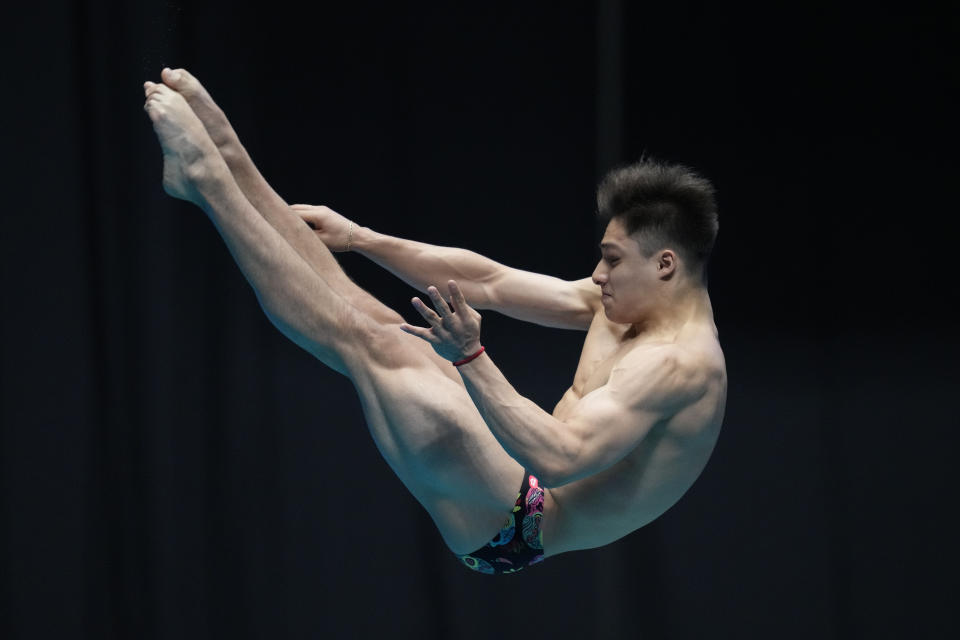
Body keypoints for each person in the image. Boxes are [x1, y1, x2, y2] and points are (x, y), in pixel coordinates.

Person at [142, 67, 727, 575]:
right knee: (375, 319)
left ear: (666, 264)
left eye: (612, 259)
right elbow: (489, 282)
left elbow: (559, 457)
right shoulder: (624, 299)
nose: (597, 274)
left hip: (521, 524)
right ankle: (234, 163)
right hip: (513, 475)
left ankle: (206, 181)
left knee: (367, 341)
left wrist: (470, 359)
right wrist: (360, 238)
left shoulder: (678, 366)